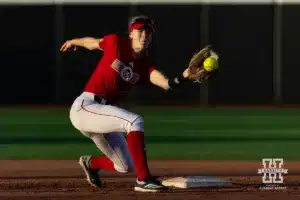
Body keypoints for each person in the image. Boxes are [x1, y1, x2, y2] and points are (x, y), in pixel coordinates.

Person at [60, 15, 202, 192]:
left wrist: (185, 76)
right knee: (134, 121)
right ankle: (143, 180)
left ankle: (90, 163)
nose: (144, 36)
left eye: (148, 33)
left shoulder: (144, 64)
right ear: (131, 34)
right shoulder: (117, 43)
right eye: (140, 31)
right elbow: (93, 43)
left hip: (102, 114)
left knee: (124, 165)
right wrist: (74, 41)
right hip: (86, 106)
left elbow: (165, 83)